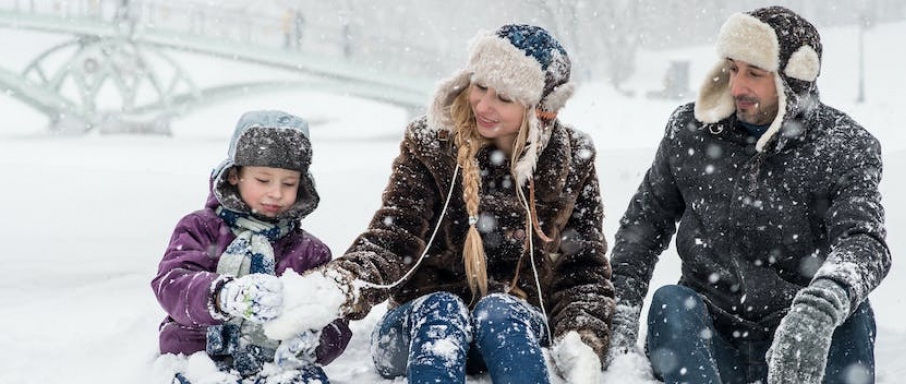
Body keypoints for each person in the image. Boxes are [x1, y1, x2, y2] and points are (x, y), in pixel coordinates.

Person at [307, 24, 613, 384]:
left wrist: (582, 338)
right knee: (443, 309)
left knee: (501, 311)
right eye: (480, 87)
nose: (484, 105)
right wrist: (338, 285)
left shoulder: (572, 158)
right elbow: (394, 237)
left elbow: (582, 266)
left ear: (538, 109)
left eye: (503, 97)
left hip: (510, 330)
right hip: (415, 326)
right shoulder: (430, 143)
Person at [608, 6, 891, 384]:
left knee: (851, 312)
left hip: (801, 341)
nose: (737, 86)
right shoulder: (690, 132)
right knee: (670, 304)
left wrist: (820, 305)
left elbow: (864, 240)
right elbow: (642, 227)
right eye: (733, 68)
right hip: (711, 340)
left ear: (794, 82)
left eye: (755, 74)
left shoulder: (843, 146)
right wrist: (621, 310)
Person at [152, 110, 352, 384]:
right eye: (263, 180)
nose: (276, 192)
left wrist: (315, 340)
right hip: (198, 359)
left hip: (279, 366)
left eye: (289, 183)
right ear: (235, 175)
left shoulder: (310, 252)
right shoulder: (200, 228)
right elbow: (172, 284)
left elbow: (335, 316)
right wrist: (224, 295)